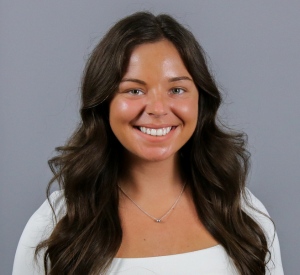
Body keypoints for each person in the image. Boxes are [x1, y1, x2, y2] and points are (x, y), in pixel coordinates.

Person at [12, 11, 284, 275]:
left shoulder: (243, 212)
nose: (157, 108)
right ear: (104, 102)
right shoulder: (54, 224)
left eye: (177, 89)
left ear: (200, 101)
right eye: (134, 90)